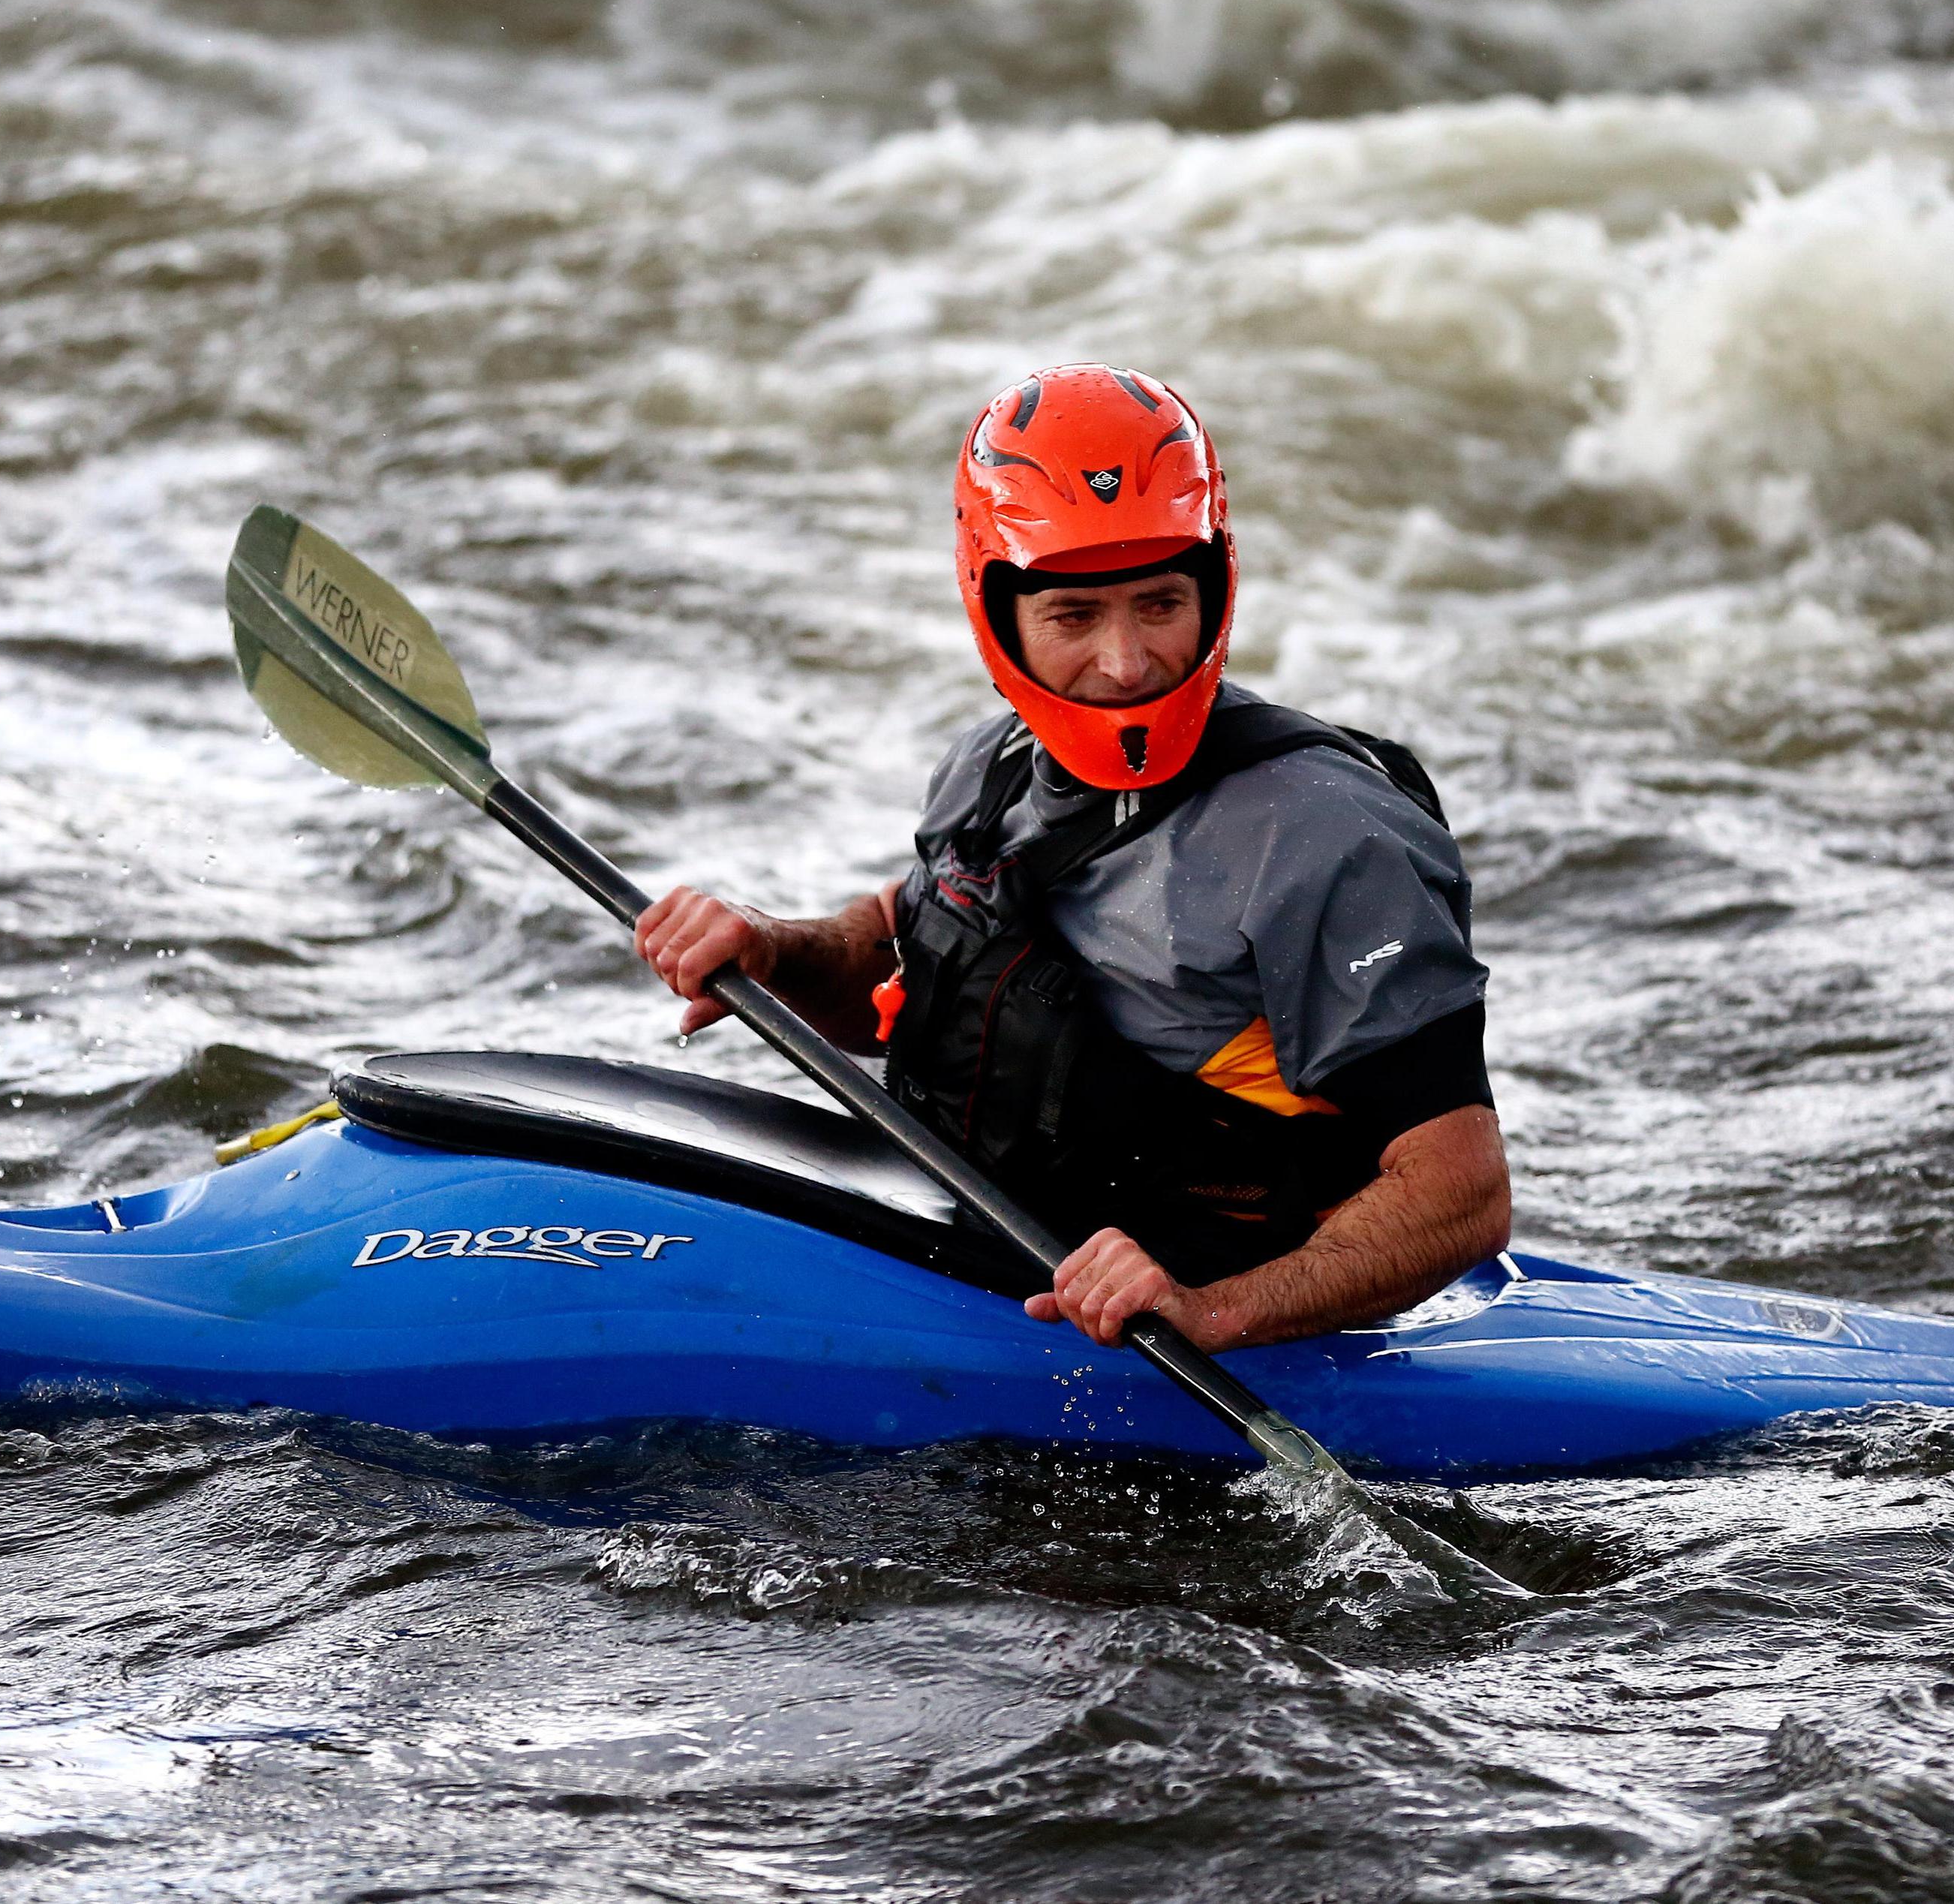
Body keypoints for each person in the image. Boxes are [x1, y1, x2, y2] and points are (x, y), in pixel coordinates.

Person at [634, 363, 1510, 1355]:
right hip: (984, 1258)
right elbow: (902, 965)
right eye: (1074, 617)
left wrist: (1212, 1312)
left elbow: (1460, 1190)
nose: (1127, 663)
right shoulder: (988, 766)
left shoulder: (1327, 833)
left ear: (1214, 584)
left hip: (1204, 1331)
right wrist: (772, 954)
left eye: (1159, 604)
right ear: (995, 607)